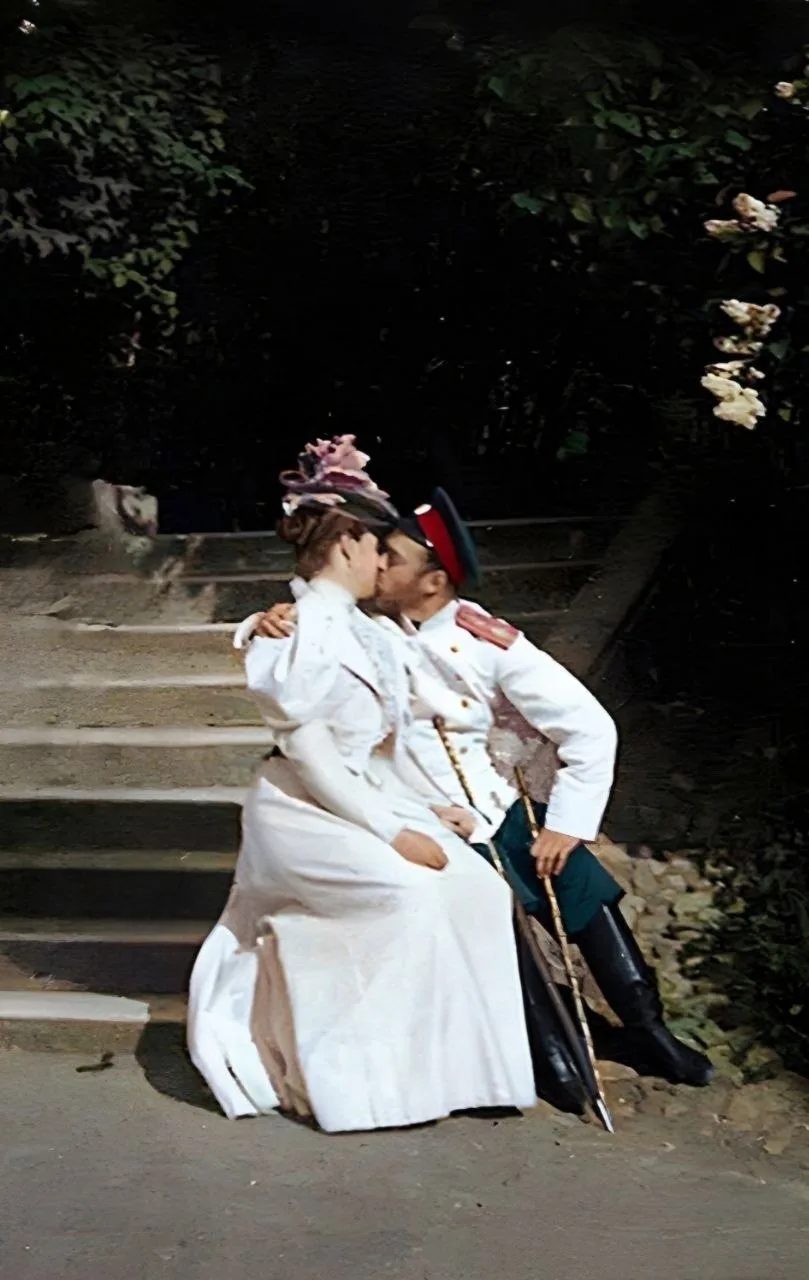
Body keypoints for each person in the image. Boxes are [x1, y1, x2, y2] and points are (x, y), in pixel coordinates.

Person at [258, 488, 714, 1090]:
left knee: (585, 890)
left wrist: (566, 826)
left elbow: (589, 728)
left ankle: (648, 1030)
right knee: (497, 923)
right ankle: (549, 1052)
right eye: (379, 552)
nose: (380, 565)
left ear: (433, 581)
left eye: (395, 558)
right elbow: (312, 635)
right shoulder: (364, 631)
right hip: (430, 815)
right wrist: (268, 619)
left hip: (497, 806)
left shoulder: (483, 640)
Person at [187, 441, 536, 1129]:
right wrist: (394, 833)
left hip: (368, 797)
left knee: (479, 889)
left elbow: (383, 748)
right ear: (347, 543)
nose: (384, 564)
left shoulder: (373, 633)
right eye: (378, 547)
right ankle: (356, 1082)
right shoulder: (287, 633)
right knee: (405, 893)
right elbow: (312, 754)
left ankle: (463, 1077)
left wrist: (427, 807)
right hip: (301, 809)